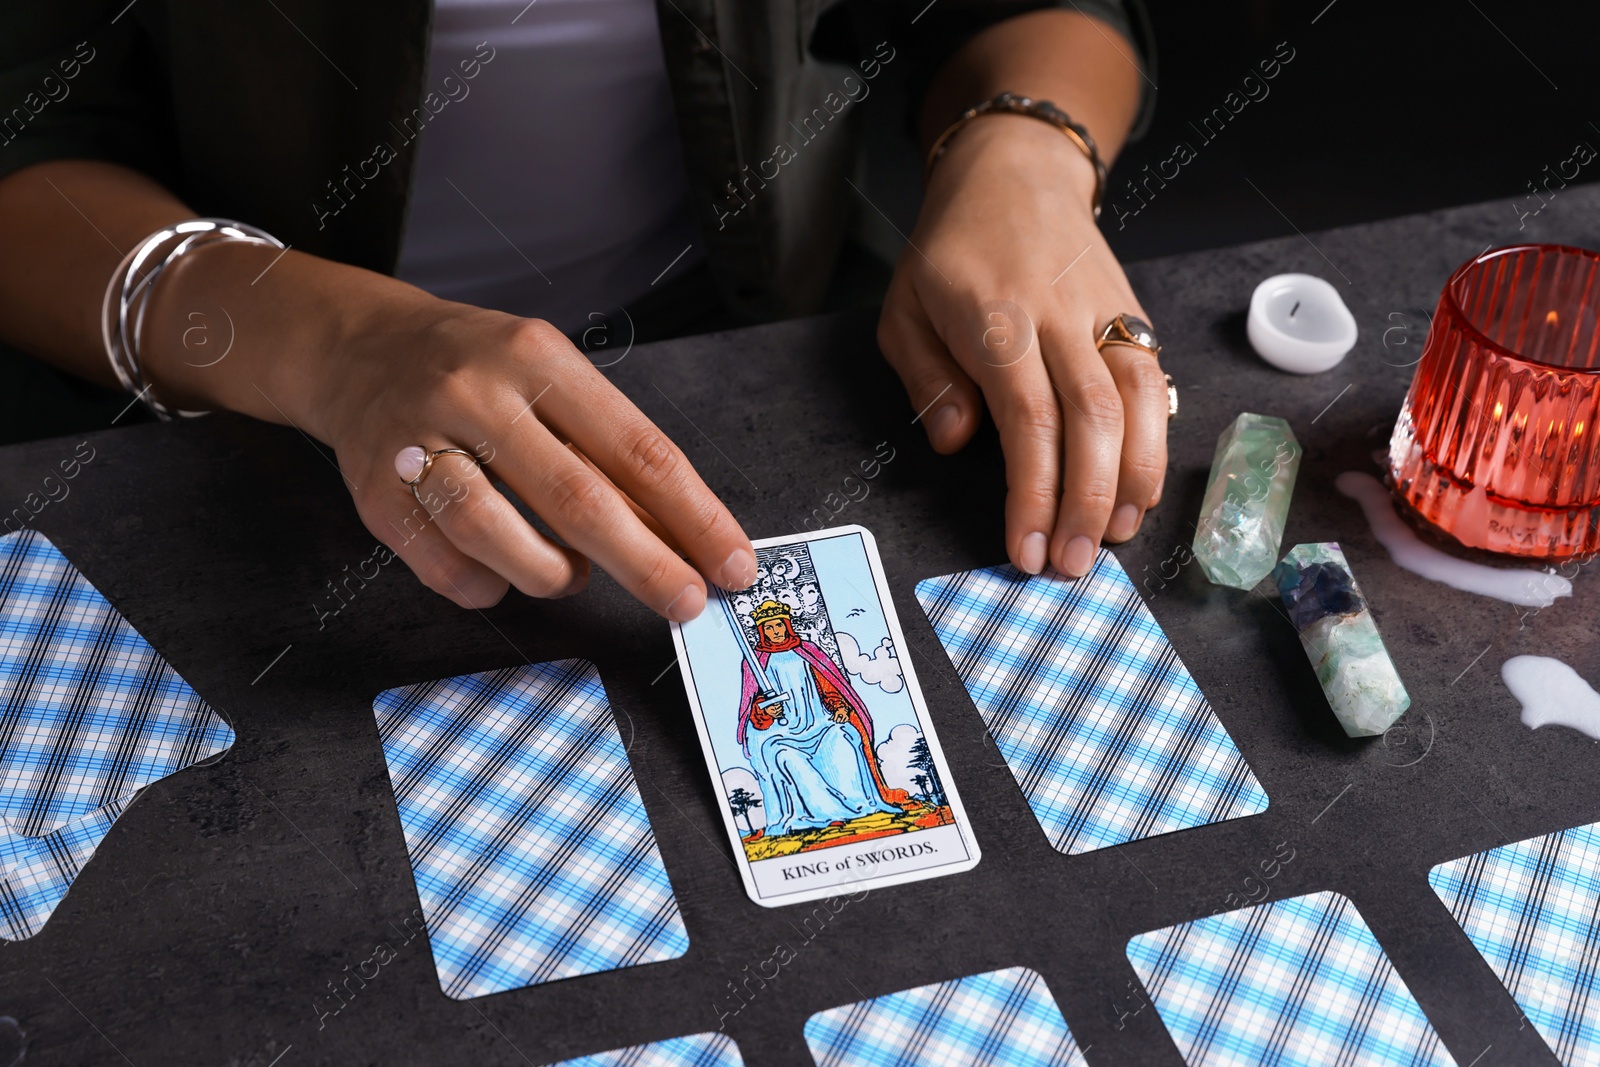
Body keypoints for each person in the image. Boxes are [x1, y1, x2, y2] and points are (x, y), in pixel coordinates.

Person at [0, 0, 1163, 623]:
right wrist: (335, 344)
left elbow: (1015, 9)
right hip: (239, 382)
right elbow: (32, 149)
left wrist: (1024, 157)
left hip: (763, 313)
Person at [736, 600, 906, 837]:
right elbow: (751, 705)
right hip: (780, 734)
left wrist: (839, 708)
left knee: (843, 738)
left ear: (787, 625)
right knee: (787, 757)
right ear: (762, 631)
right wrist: (765, 712)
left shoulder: (807, 651)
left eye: (779, 626)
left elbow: (828, 688)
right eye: (769, 628)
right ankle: (822, 814)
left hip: (818, 723)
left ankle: (858, 805)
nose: (775, 632)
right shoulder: (755, 662)